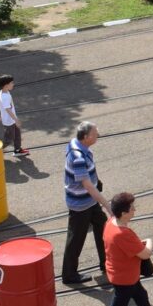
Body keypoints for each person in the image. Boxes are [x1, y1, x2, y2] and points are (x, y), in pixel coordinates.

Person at [62, 121, 111, 286]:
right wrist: (107, 205)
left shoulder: (76, 144)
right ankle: (69, 275)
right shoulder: (78, 157)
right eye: (95, 133)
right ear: (86, 137)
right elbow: (88, 186)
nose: (98, 134)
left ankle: (106, 264)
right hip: (81, 204)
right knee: (76, 238)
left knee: (102, 228)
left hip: (89, 201)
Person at [0, 74, 28, 157]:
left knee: (17, 135)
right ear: (6, 85)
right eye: (11, 83)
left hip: (11, 119)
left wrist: (1, 115)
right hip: (9, 121)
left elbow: (3, 107)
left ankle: (17, 150)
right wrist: (16, 120)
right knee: (9, 138)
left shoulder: (4, 92)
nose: (13, 84)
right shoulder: (5, 97)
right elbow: (7, 109)